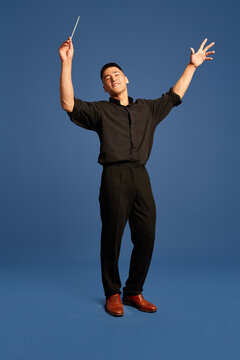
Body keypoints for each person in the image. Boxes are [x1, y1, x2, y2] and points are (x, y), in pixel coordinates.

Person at [59, 37, 215, 317]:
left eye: (116, 74)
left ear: (126, 78)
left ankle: (133, 292)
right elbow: (68, 103)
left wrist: (192, 66)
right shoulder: (100, 111)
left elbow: (174, 96)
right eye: (107, 78)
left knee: (147, 236)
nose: (112, 79)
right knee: (112, 238)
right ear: (104, 86)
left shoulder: (147, 108)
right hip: (114, 176)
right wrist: (66, 62)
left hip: (141, 177)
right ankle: (112, 294)